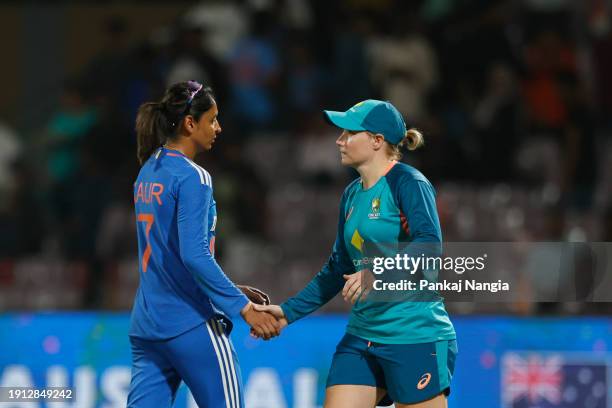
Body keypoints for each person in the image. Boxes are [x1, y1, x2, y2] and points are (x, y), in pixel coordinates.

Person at [255, 100, 457, 408]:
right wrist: (289, 312)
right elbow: (339, 267)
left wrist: (376, 272)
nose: (339, 140)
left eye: (350, 132)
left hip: (415, 335)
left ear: (377, 140)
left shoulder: (408, 183)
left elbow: (429, 244)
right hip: (363, 335)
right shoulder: (351, 194)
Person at [127, 80, 280, 408]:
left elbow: (167, 260)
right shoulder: (194, 177)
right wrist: (244, 308)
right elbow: (194, 256)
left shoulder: (148, 171)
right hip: (190, 324)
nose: (218, 127)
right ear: (190, 123)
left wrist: (229, 287)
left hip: (148, 326)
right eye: (212, 119)